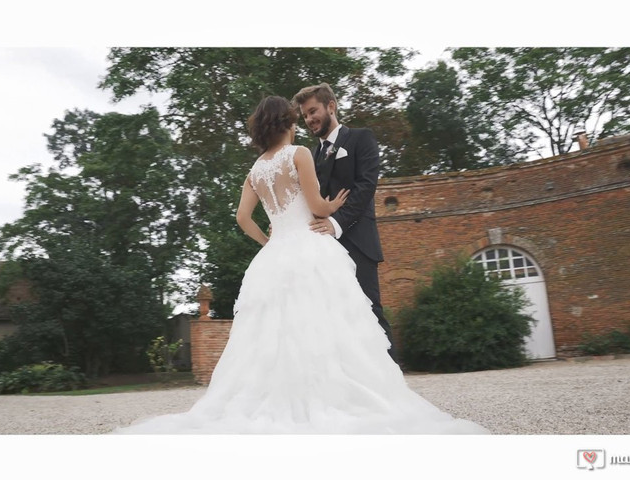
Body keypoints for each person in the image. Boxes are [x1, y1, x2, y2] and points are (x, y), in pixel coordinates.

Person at [113, 96, 488, 434]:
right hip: (309, 247)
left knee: (273, 333)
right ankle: (332, 395)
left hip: (275, 254)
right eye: (296, 117)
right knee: (327, 324)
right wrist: (336, 203)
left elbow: (243, 217)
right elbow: (318, 207)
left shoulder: (255, 170)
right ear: (286, 123)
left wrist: (268, 241)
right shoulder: (299, 154)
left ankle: (279, 399)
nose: (300, 122)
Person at [291, 83, 396, 360]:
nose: (309, 119)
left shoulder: (361, 138)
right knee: (334, 318)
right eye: (304, 116)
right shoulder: (310, 156)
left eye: (313, 111)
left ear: (331, 107)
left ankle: (393, 385)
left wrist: (336, 223)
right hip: (323, 249)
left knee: (370, 312)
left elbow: (366, 186)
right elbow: (309, 200)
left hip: (359, 242)